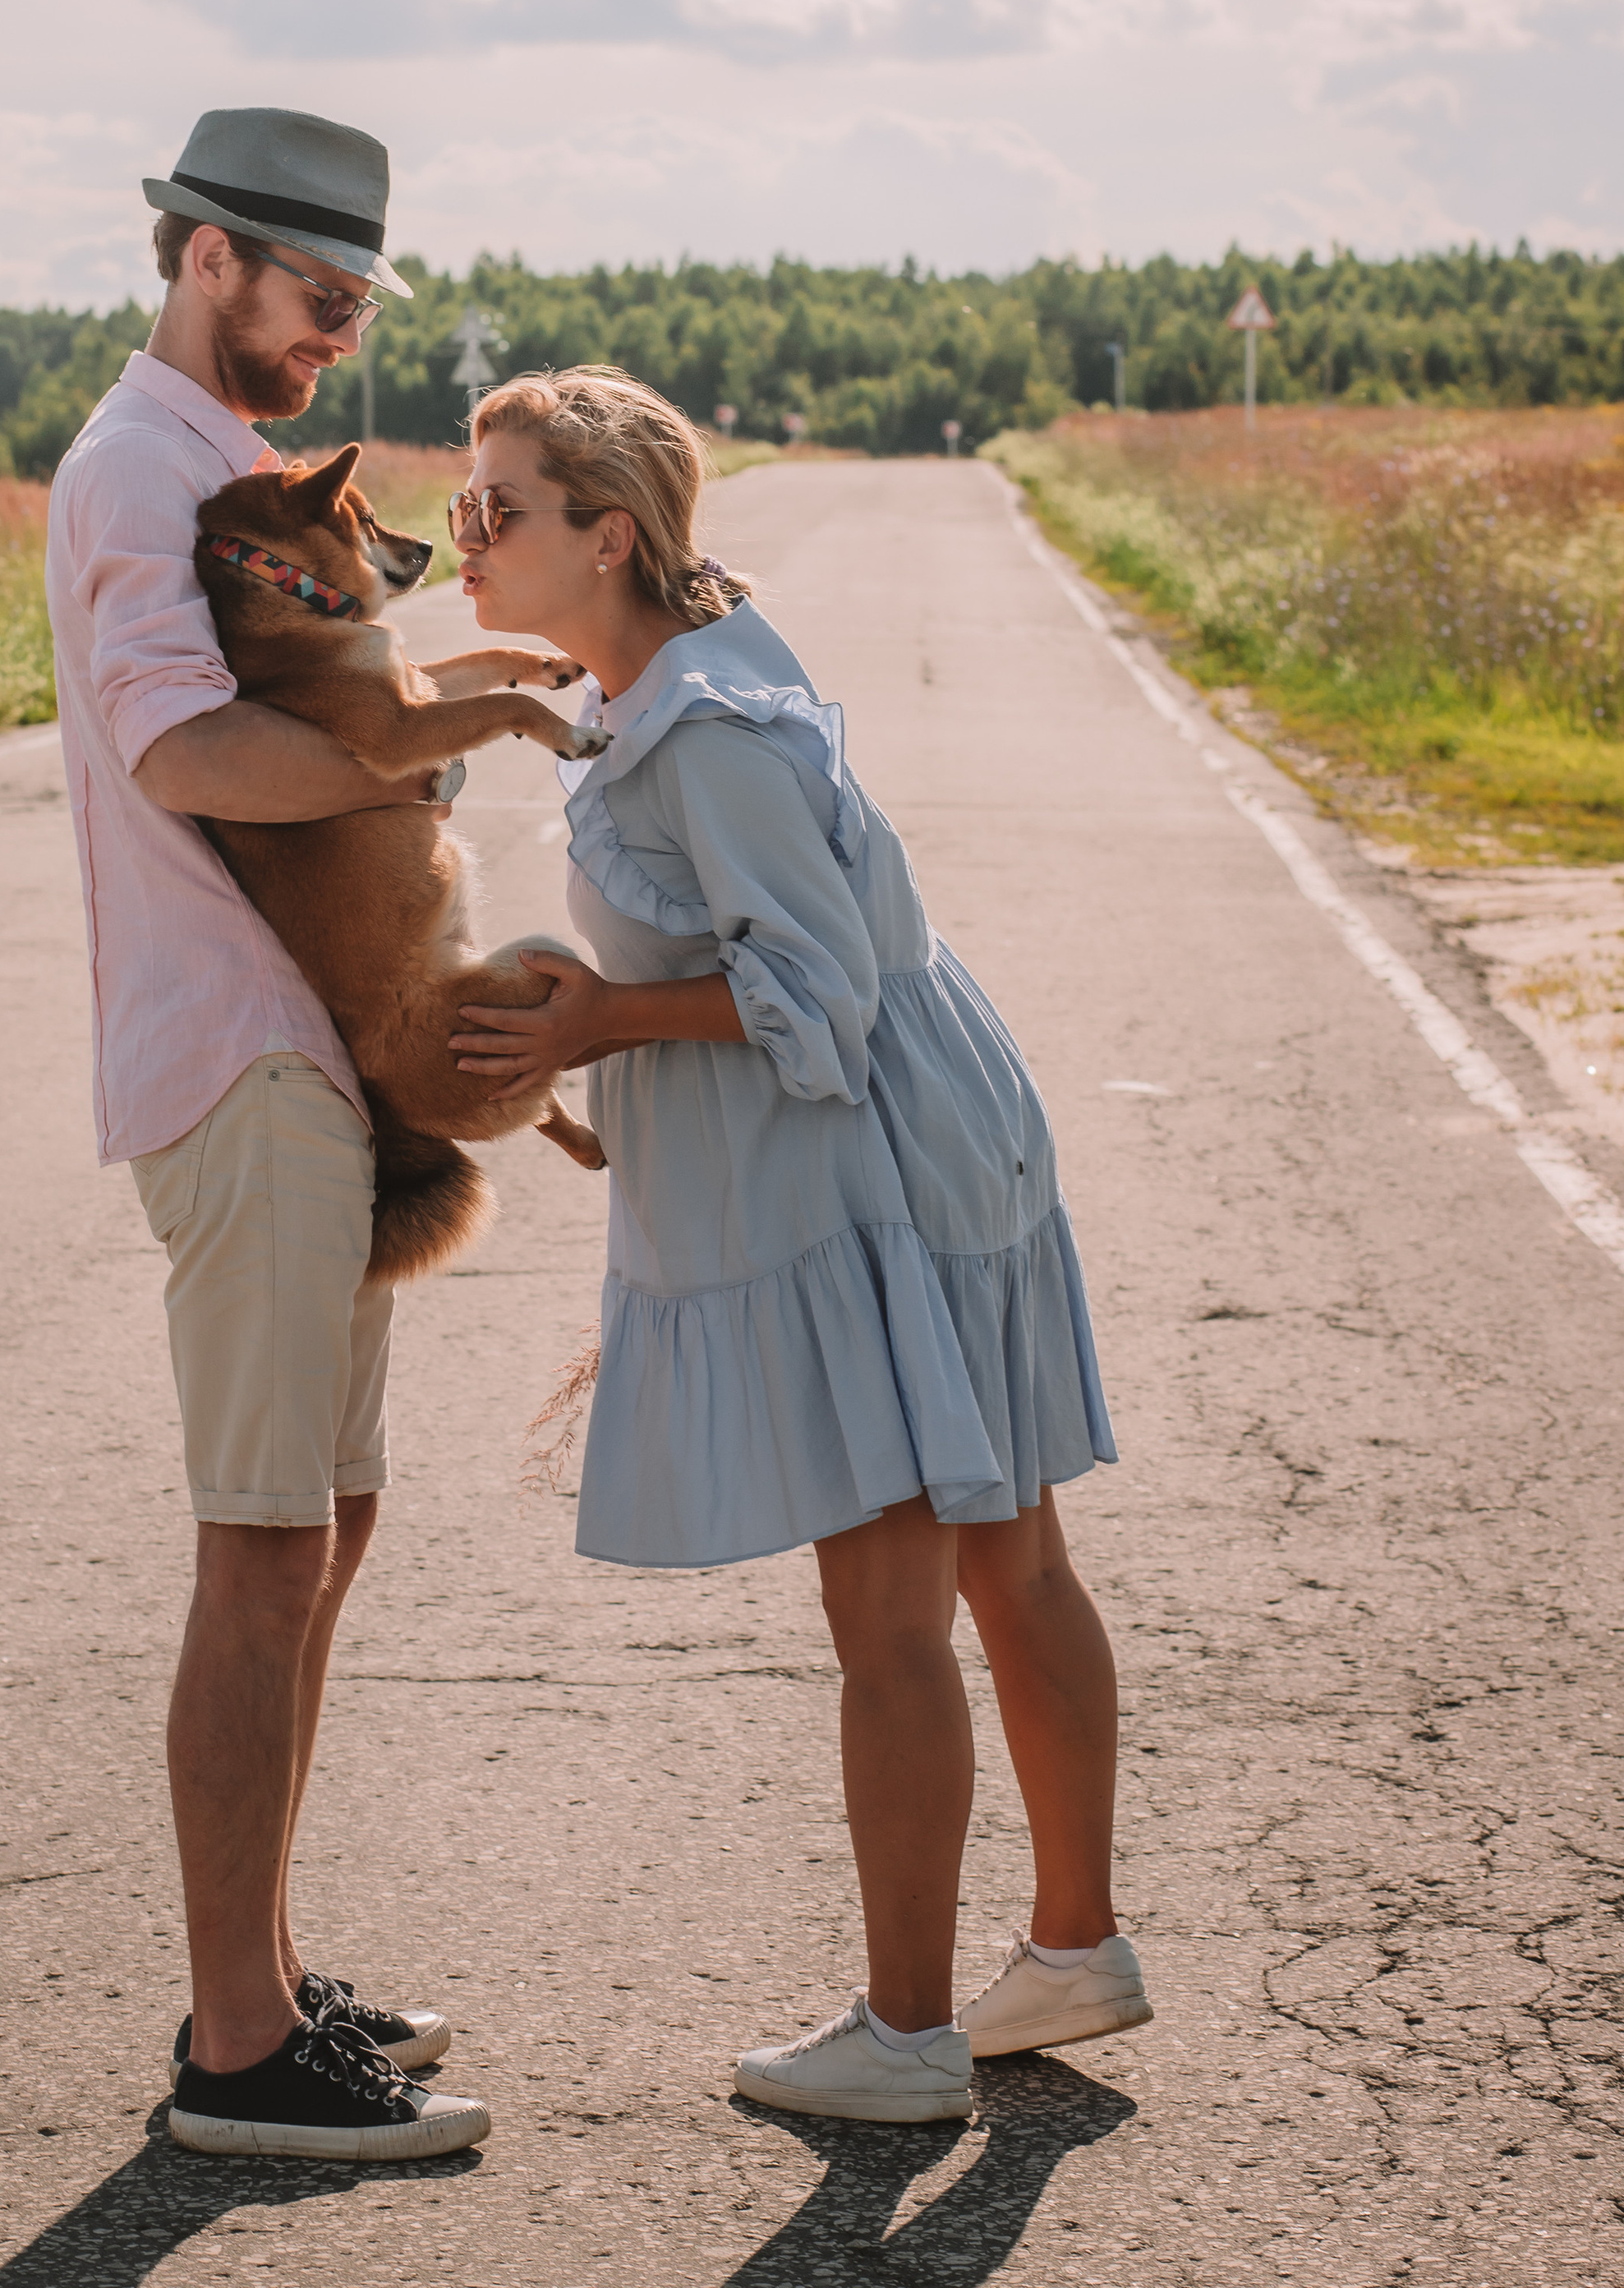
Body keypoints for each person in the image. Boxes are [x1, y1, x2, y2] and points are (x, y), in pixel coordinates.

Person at [447, 366, 1148, 2125]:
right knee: (1006, 1559)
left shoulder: (706, 730)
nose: (464, 533)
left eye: (500, 509)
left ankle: (906, 2038)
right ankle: (1069, 1951)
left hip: (872, 1175)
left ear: (608, 535)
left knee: (892, 1609)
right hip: (924, 1136)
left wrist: (603, 1024)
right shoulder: (669, 681)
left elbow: (812, 995)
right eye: (466, 503)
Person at [45, 107, 490, 2163]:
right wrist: (409, 766)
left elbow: (305, 730)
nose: (334, 339)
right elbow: (184, 742)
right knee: (260, 1549)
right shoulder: (146, 468)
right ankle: (236, 2053)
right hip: (235, 1060)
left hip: (313, 1055)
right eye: (317, 298)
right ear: (206, 254)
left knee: (329, 1528)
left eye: (358, 308)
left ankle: (265, 1972)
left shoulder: (244, 472)